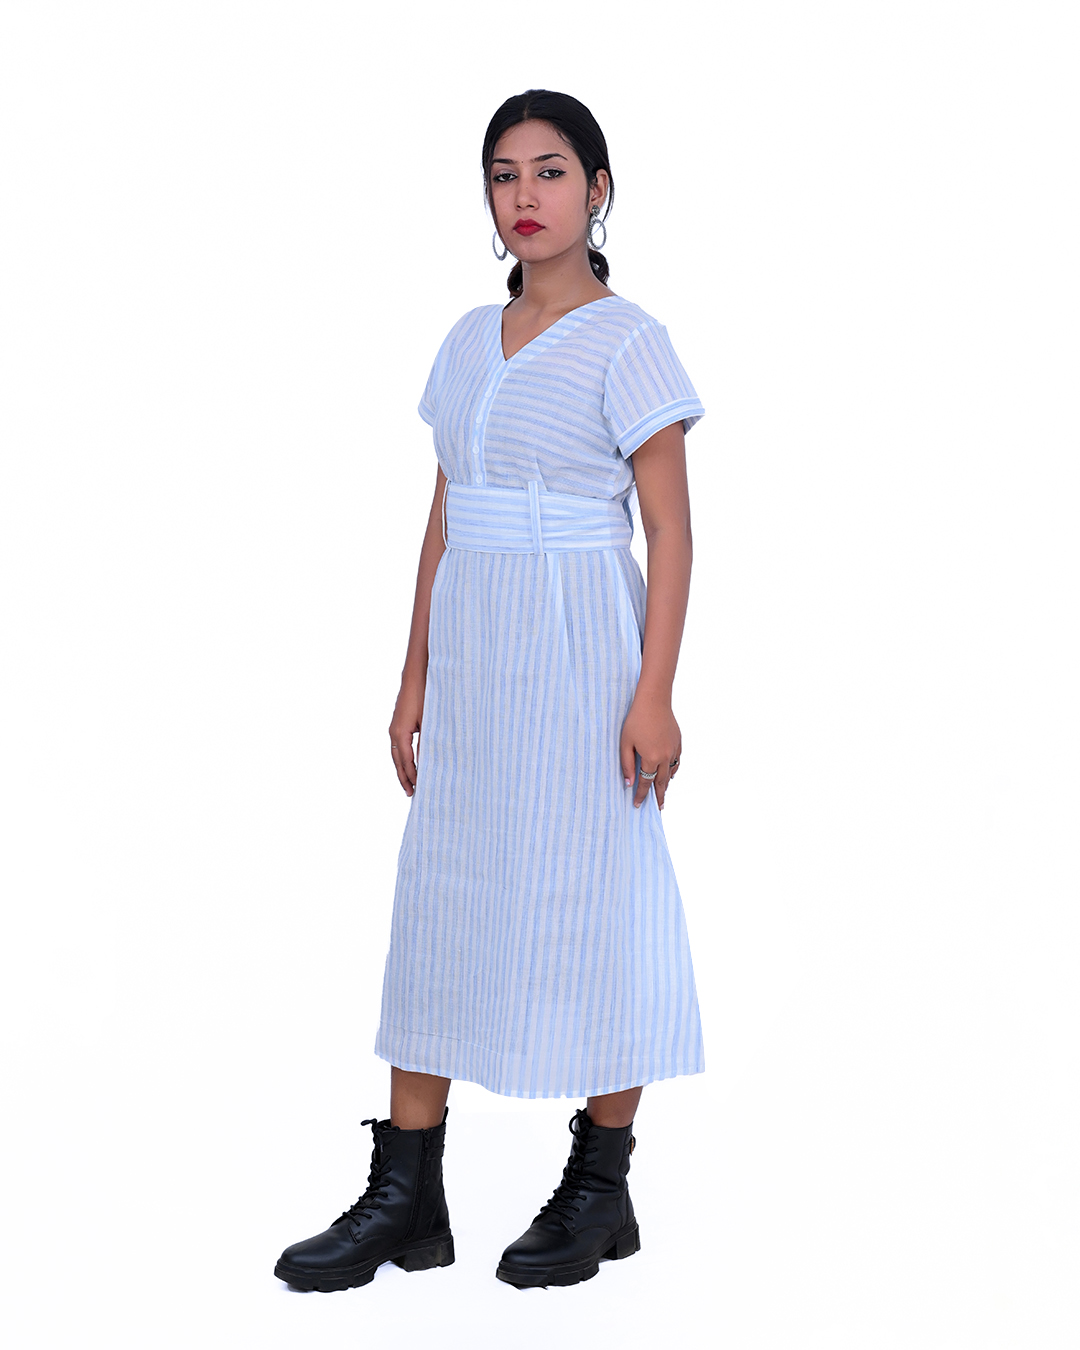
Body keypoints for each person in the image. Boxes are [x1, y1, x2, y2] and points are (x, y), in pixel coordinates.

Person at [275, 88, 706, 1293]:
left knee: (597, 895)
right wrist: (412, 673)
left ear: (598, 191)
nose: (526, 195)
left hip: (584, 648)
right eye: (505, 175)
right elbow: (447, 510)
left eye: (552, 171)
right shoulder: (469, 338)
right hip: (475, 651)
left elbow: (670, 531)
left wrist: (656, 693)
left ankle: (600, 1183)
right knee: (443, 897)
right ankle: (407, 1192)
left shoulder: (630, 340)